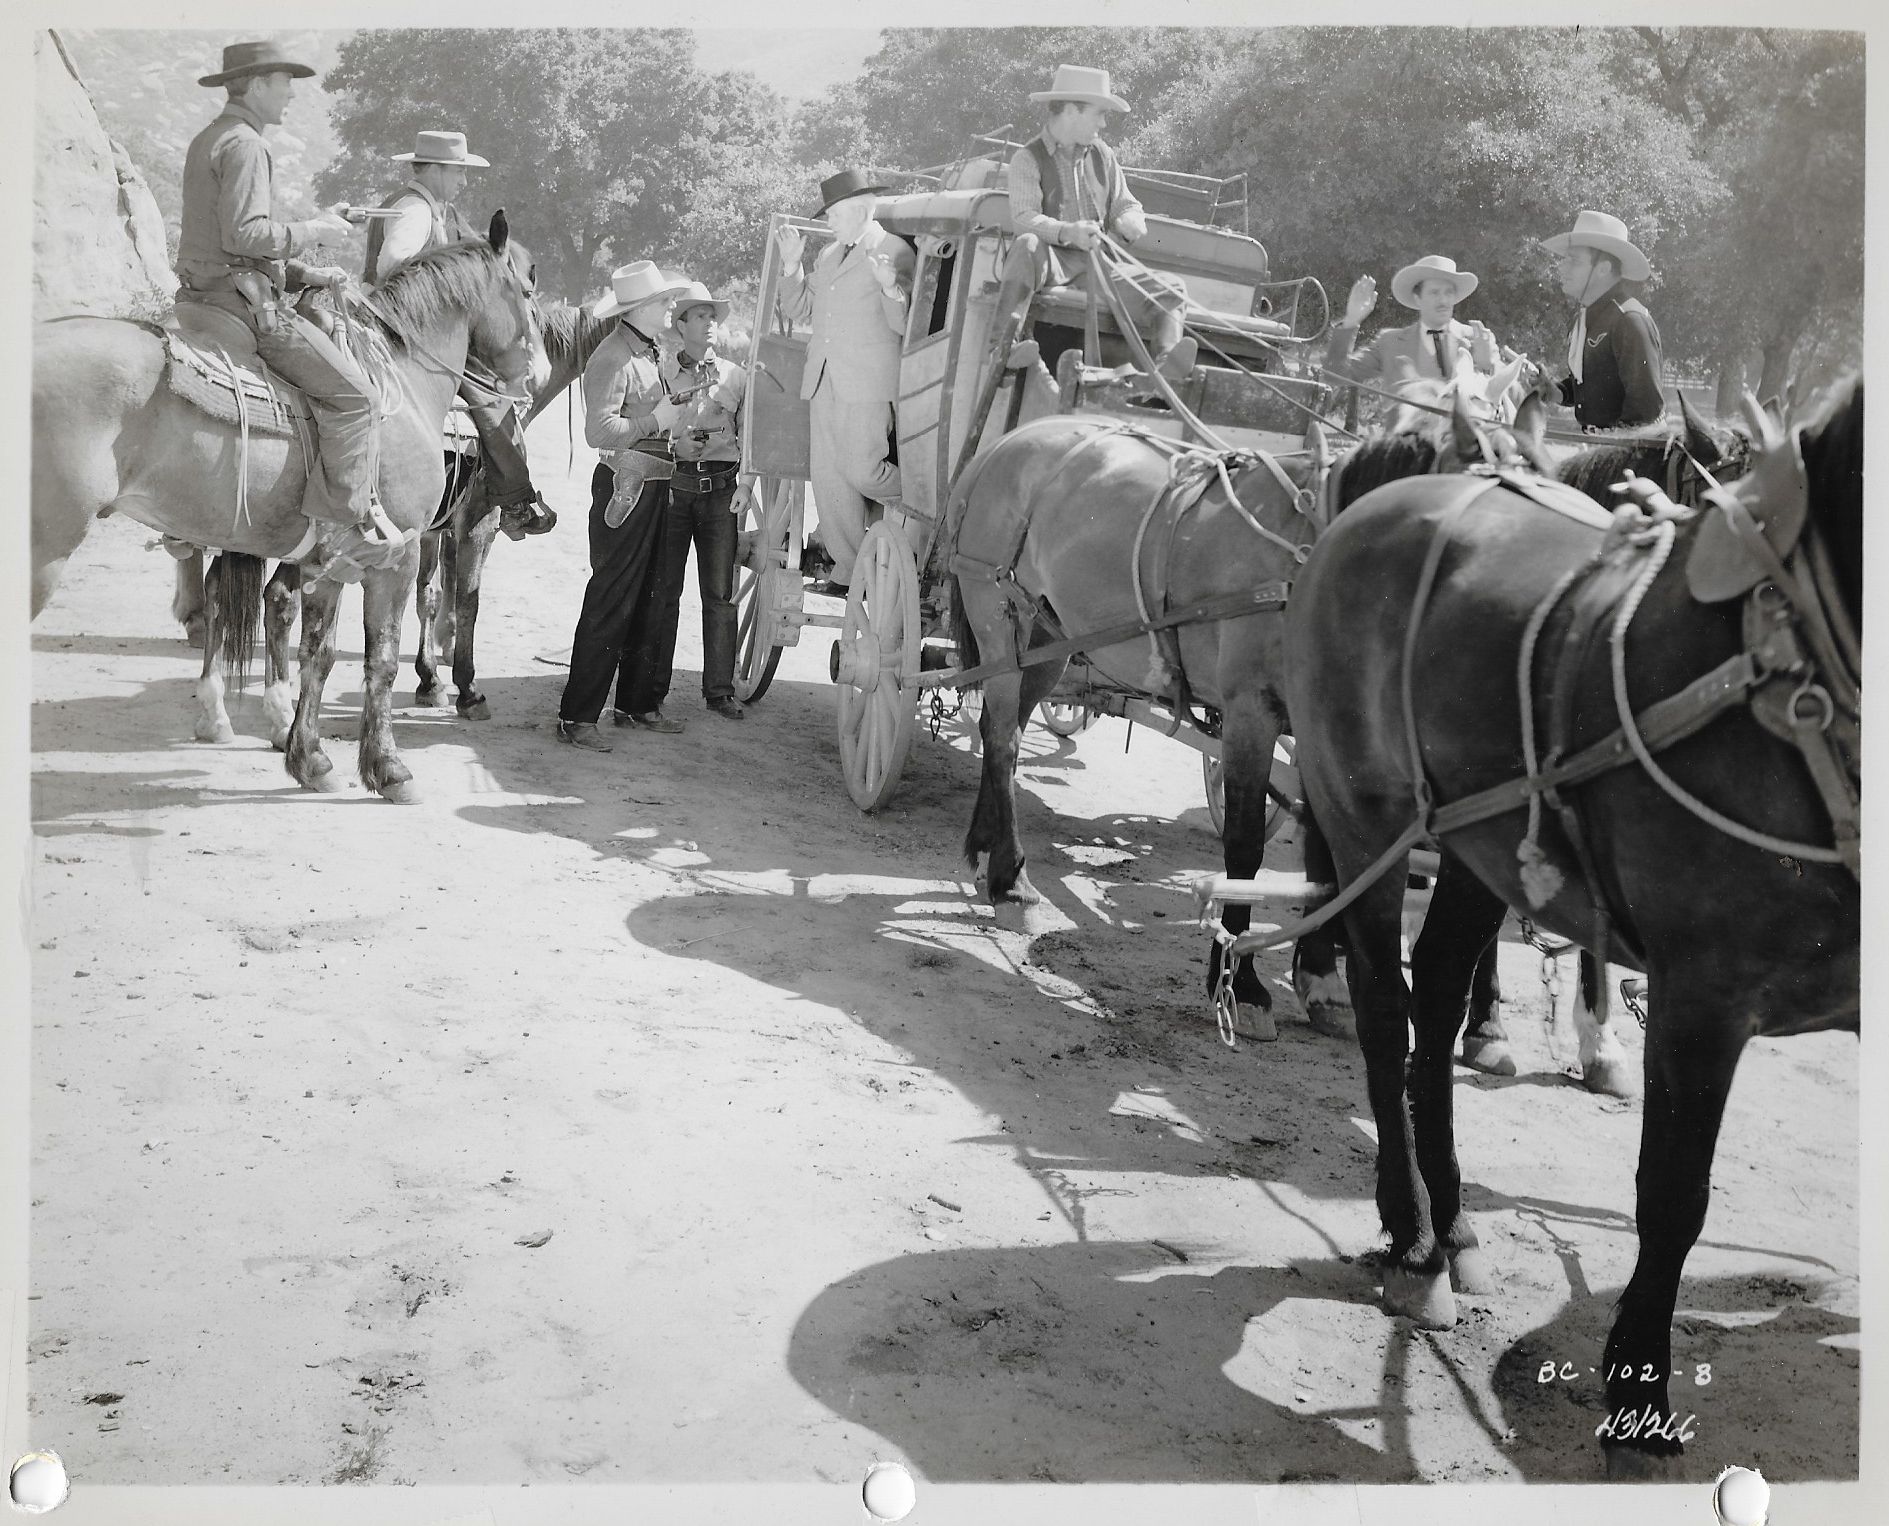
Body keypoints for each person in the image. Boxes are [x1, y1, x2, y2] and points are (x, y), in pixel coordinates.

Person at [175, 40, 404, 567]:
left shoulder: (209, 137)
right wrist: (316, 229)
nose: (292, 96)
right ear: (256, 86)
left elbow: (215, 240)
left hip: (199, 299)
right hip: (244, 308)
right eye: (284, 84)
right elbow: (246, 234)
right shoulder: (248, 145)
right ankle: (340, 531)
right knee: (358, 401)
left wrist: (304, 268)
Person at [362, 129, 552, 539]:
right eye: (458, 171)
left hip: (399, 326)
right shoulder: (416, 210)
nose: (464, 181)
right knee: (488, 400)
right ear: (433, 169)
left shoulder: (422, 207)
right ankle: (516, 499)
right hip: (404, 331)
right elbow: (393, 261)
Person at [556, 261, 692, 751]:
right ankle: (577, 718)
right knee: (612, 598)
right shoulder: (612, 357)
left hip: (652, 484)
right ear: (639, 310)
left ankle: (636, 705)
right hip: (626, 488)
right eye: (664, 302)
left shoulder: (648, 352)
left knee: (654, 598)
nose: (671, 307)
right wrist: (657, 419)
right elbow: (599, 431)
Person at [997, 64, 1195, 381]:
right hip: (1051, 261)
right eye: (1099, 113)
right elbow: (1024, 218)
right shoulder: (1027, 158)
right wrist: (1068, 232)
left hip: (1098, 265)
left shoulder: (1104, 155)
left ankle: (1167, 368)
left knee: (1171, 288)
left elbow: (1127, 204)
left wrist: (1132, 219)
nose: (1103, 123)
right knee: (1025, 245)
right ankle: (1003, 351)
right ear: (1072, 110)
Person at [774, 168, 914, 598]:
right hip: (824, 380)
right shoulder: (828, 255)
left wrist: (892, 289)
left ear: (858, 211)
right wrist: (792, 266)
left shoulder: (894, 250)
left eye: (832, 214)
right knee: (831, 479)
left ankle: (921, 495)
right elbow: (803, 309)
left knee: (864, 472)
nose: (828, 223)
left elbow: (907, 322)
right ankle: (851, 571)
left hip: (869, 381)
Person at [626, 281, 751, 723]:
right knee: (666, 594)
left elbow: (749, 441)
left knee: (719, 595)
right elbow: (652, 430)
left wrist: (745, 486)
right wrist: (679, 448)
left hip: (720, 494)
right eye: (701, 316)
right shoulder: (661, 375)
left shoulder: (736, 378)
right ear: (680, 325)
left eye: (713, 316)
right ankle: (654, 690)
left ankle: (719, 691)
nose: (711, 323)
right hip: (675, 489)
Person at [1541, 210, 1666, 430]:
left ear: (1603, 269)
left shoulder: (1629, 320)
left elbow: (1645, 411)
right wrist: (1556, 392)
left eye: (1575, 261)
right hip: (1602, 453)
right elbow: (1592, 384)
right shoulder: (1589, 316)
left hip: (1627, 457)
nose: (1562, 267)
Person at [1324, 254, 1501, 389]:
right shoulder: (1390, 342)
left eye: (1449, 292)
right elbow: (1334, 376)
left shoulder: (1477, 339)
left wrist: (1486, 367)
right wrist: (1351, 320)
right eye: (1434, 292)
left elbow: (1502, 399)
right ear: (1417, 298)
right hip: (1402, 437)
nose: (1444, 301)